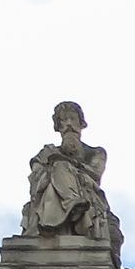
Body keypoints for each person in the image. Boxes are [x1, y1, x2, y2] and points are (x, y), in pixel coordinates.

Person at [21, 101, 110, 240]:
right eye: (64, 120)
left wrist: (68, 162)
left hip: (86, 188)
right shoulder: (48, 151)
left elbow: (95, 175)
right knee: (56, 170)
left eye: (72, 119)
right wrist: (52, 165)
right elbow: (35, 174)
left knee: (60, 165)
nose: (69, 124)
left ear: (81, 123)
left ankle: (71, 206)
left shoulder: (95, 152)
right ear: (58, 126)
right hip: (50, 192)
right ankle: (71, 205)